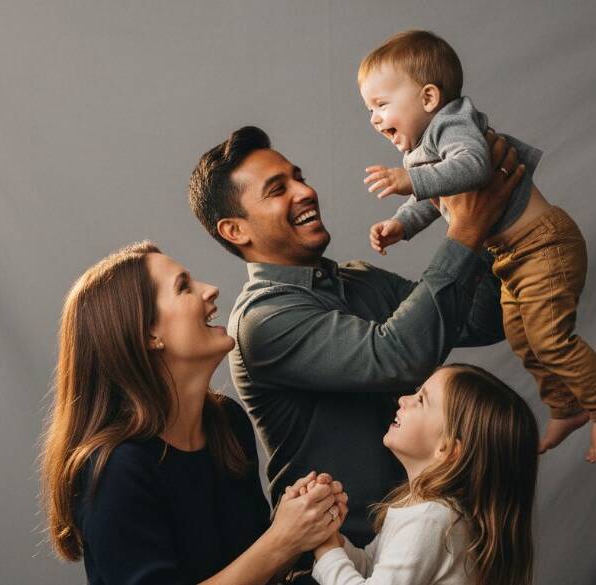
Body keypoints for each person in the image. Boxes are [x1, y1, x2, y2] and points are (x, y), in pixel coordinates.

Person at [188, 125, 523, 550]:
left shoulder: (360, 280)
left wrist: (490, 212)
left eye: (299, 177)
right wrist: (467, 227)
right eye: (277, 190)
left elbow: (483, 320)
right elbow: (398, 356)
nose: (305, 192)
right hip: (341, 564)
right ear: (235, 231)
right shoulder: (263, 321)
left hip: (427, 543)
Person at [358, 30, 596, 462]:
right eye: (368, 109)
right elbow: (435, 199)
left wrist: (409, 180)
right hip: (511, 257)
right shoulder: (422, 150)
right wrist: (401, 225)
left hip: (544, 245)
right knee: (523, 339)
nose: (374, 118)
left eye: (381, 104)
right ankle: (567, 405)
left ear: (429, 97)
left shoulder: (453, 122)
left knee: (550, 336)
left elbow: (470, 168)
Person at [40, 241, 349, 585]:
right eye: (184, 287)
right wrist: (282, 539)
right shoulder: (116, 469)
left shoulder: (226, 422)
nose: (211, 290)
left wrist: (302, 523)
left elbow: (255, 573)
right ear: (149, 334)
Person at [308, 364, 539, 585]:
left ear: (446, 449)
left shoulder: (431, 518)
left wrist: (326, 547)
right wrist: (333, 535)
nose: (403, 400)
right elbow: (372, 569)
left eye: (421, 400)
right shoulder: (424, 509)